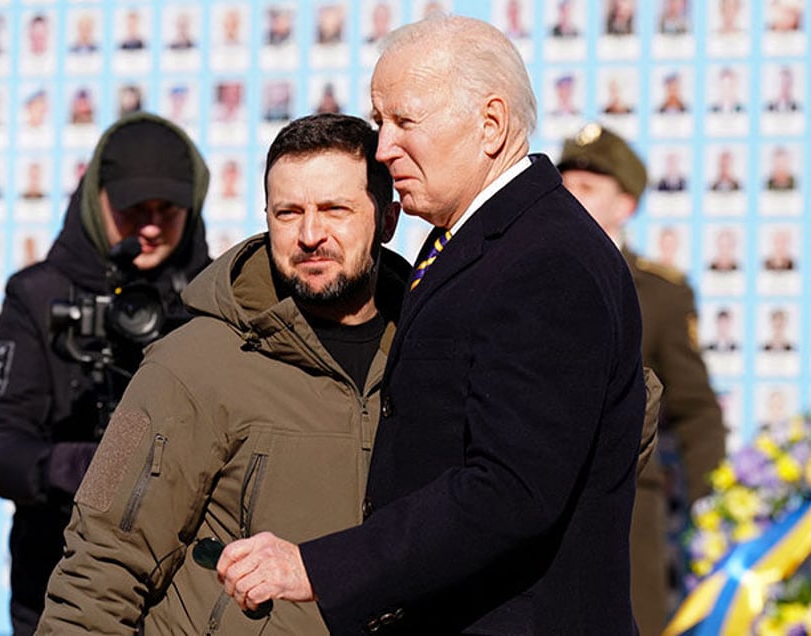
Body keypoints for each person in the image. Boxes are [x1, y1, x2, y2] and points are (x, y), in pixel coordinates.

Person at [215, 15, 655, 635]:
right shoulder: (474, 240)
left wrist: (316, 566)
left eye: (404, 122)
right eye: (378, 123)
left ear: (491, 125)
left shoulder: (547, 260)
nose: (383, 147)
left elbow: (511, 487)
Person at [36, 113, 408, 635]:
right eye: (287, 212)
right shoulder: (184, 364)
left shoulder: (431, 352)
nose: (309, 234)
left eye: (334, 210)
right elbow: (100, 563)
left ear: (387, 220)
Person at [0, 112, 211, 636]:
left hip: (184, 599)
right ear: (95, 198)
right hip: (57, 590)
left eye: (166, 210)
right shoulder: (38, 296)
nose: (149, 226)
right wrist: (71, 466)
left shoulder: (213, 302)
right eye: (133, 209)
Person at [558, 124, 725, 636]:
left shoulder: (660, 294)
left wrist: (707, 508)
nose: (570, 197)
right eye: (565, 185)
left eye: (588, 188)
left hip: (626, 510)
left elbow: (696, 411)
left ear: (625, 205)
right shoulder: (518, 273)